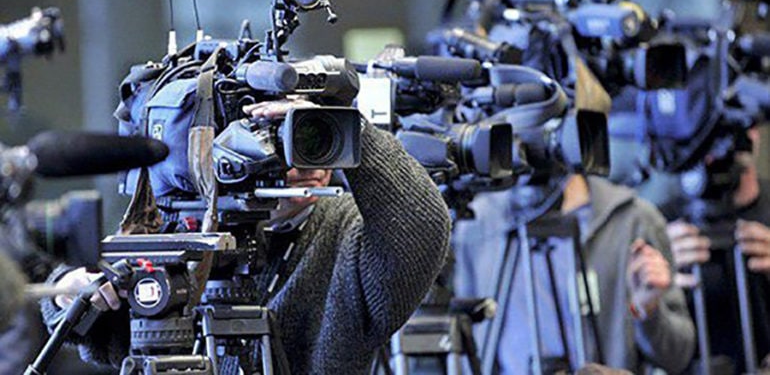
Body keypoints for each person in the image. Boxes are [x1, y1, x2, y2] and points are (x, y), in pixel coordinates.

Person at [41, 98, 452, 375]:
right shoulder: (182, 219)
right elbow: (94, 317)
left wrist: (352, 132)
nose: (306, 162)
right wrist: (66, 293)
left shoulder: (345, 231)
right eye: (279, 141)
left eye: (314, 140)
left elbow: (421, 229)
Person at [453, 174, 695, 374]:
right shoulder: (478, 223)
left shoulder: (632, 219)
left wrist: (647, 310)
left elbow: (677, 356)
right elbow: (466, 351)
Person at [664, 127, 770, 372]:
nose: (711, 154)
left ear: (753, 134)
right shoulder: (658, 224)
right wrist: (657, 291)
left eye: (721, 135)